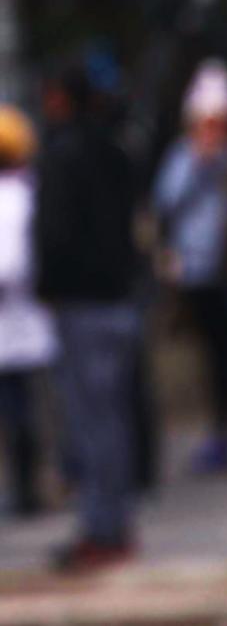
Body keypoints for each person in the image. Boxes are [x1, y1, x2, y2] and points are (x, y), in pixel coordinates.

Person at [34, 65, 141, 569]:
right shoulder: (114, 150)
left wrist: (48, 286)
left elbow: (54, 234)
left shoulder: (63, 155)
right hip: (118, 298)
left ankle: (103, 527)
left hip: (82, 303)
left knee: (91, 422)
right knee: (112, 418)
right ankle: (113, 521)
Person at [152, 60, 227, 472]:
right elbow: (166, 201)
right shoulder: (184, 157)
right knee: (214, 359)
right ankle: (222, 435)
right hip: (197, 273)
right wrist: (200, 164)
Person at [0, 106, 56, 517]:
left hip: (16, 316)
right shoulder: (29, 190)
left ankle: (27, 488)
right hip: (25, 317)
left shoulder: (14, 197)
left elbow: (11, 263)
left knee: (18, 409)